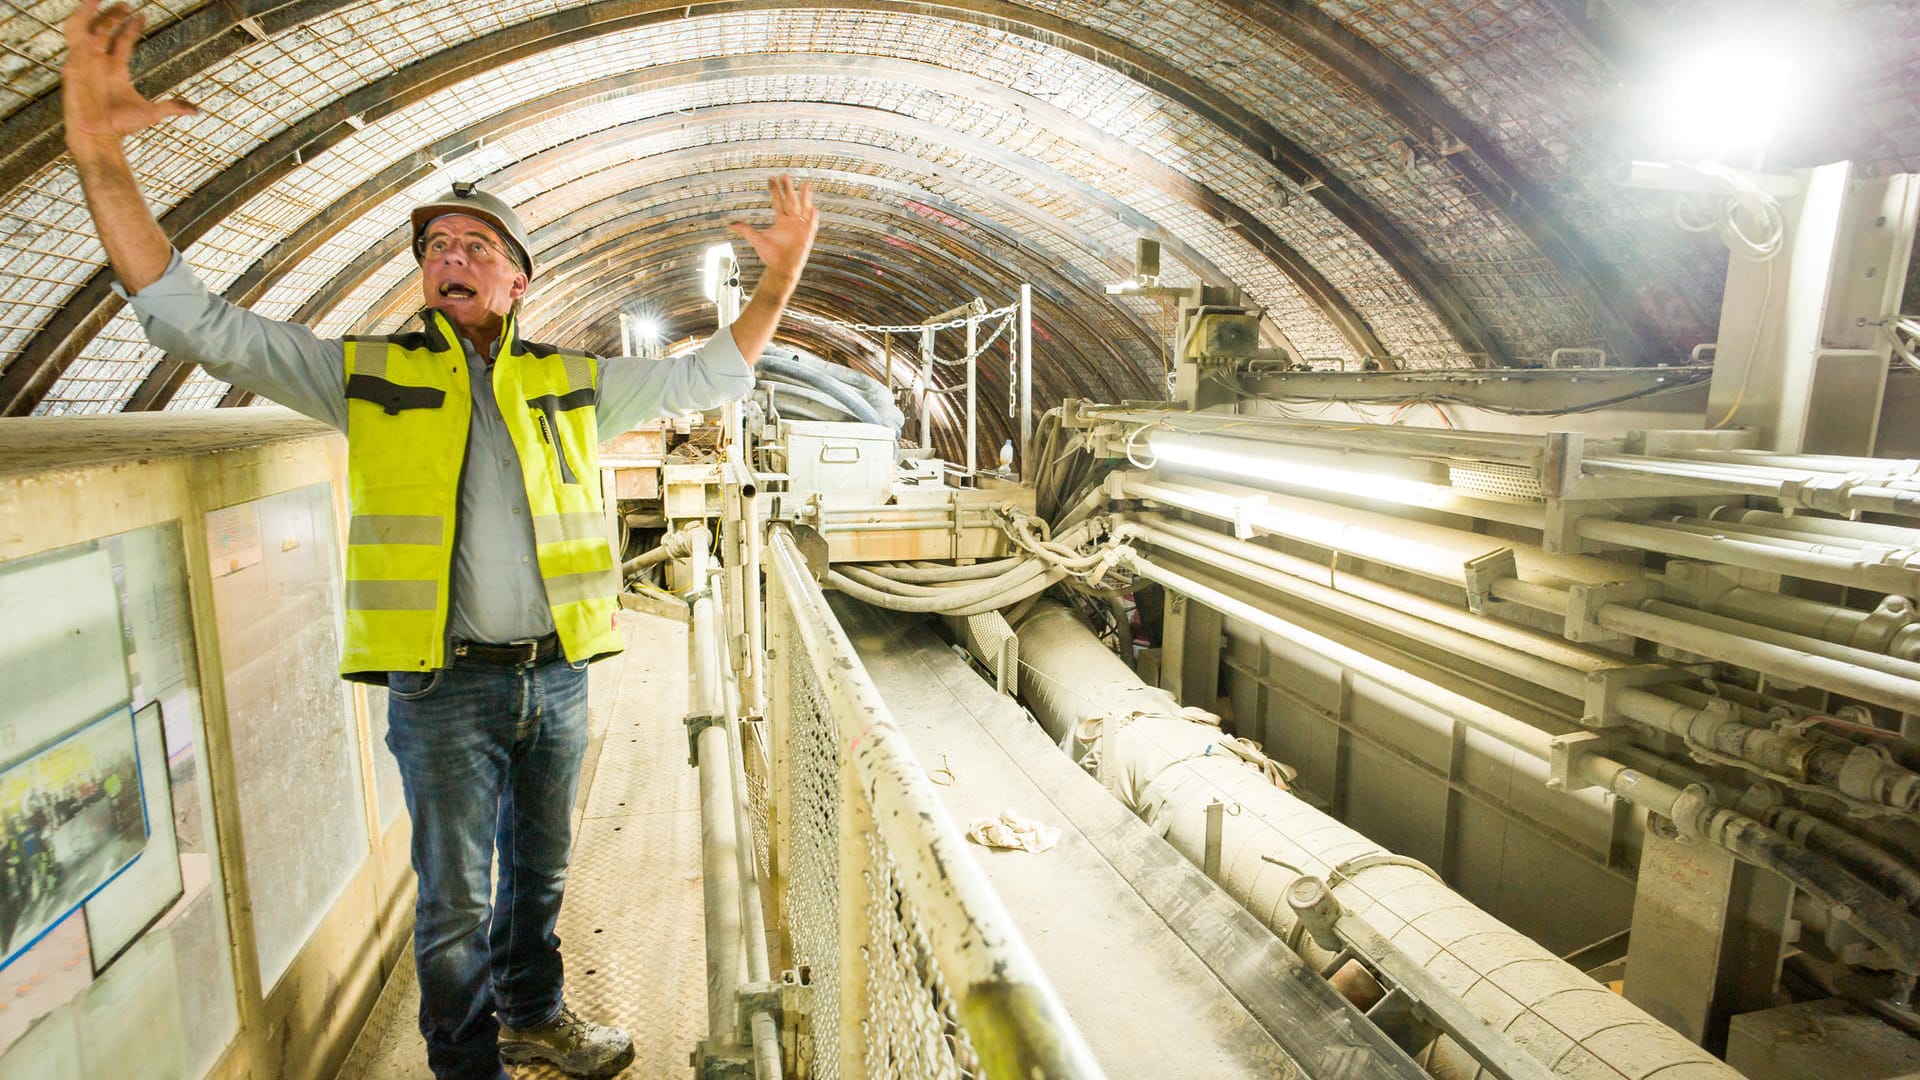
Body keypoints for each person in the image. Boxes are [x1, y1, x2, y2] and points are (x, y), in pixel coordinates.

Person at [59, 3, 819, 1078]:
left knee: (540, 879)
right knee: (456, 902)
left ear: (517, 282)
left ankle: (534, 1013)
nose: (449, 256)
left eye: (475, 246)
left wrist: (781, 278)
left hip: (554, 678)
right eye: (434, 248)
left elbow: (710, 373)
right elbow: (194, 322)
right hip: (440, 689)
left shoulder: (569, 383)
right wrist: (97, 157)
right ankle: (467, 1068)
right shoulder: (366, 377)